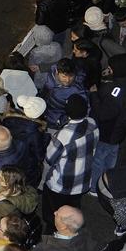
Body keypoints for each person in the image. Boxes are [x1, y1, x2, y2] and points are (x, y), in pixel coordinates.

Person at [43, 94, 98, 228]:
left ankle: (53, 230)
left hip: (60, 186)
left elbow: (49, 159)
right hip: (82, 183)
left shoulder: (63, 136)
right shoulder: (93, 124)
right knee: (73, 210)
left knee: (53, 213)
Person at [91, 52, 126, 191]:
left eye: (111, 68)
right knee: (112, 156)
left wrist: (94, 94)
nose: (109, 69)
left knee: (98, 159)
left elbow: (104, 113)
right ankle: (108, 181)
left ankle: (95, 188)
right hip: (120, 129)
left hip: (108, 131)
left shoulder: (117, 90)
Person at [39, 58, 88, 128]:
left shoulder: (79, 90)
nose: (67, 80)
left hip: (55, 122)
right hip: (43, 111)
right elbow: (46, 88)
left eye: (71, 76)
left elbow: (83, 112)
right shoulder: (52, 73)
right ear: (57, 72)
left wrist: (61, 121)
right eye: (64, 76)